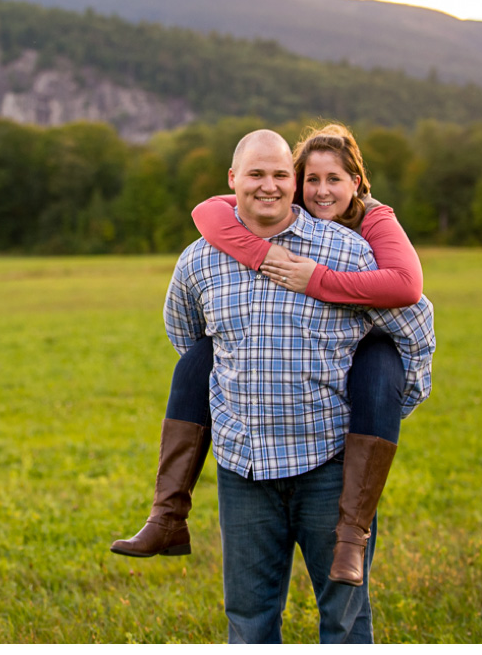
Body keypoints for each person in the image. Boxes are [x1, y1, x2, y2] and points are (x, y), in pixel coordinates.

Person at [148, 129, 434, 643]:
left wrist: (385, 403)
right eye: (256, 174)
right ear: (233, 179)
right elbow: (188, 339)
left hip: (329, 468)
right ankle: (167, 512)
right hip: (244, 470)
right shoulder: (200, 259)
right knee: (249, 622)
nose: (269, 186)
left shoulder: (348, 249)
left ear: (291, 182)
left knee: (345, 624)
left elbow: (412, 325)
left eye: (280, 174)